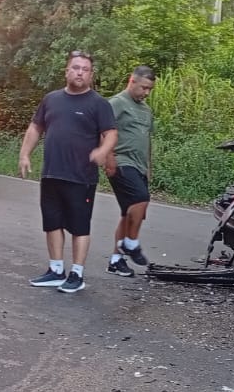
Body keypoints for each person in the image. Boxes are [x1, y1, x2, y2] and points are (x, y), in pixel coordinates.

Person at [19, 50, 118, 294]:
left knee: (79, 226)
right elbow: (35, 127)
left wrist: (102, 151)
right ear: (66, 71)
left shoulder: (99, 104)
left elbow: (111, 133)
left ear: (91, 75)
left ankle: (77, 273)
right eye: (75, 67)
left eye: (85, 69)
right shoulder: (51, 99)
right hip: (52, 173)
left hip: (81, 176)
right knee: (52, 223)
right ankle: (55, 270)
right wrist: (24, 154)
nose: (80, 72)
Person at [104, 65, 156, 276]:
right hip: (121, 161)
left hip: (139, 165)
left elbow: (147, 139)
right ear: (131, 81)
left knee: (130, 213)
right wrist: (109, 158)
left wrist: (149, 167)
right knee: (141, 198)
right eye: (143, 87)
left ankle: (116, 260)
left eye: (150, 89)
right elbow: (103, 129)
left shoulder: (146, 109)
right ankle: (131, 243)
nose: (146, 93)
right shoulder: (117, 103)